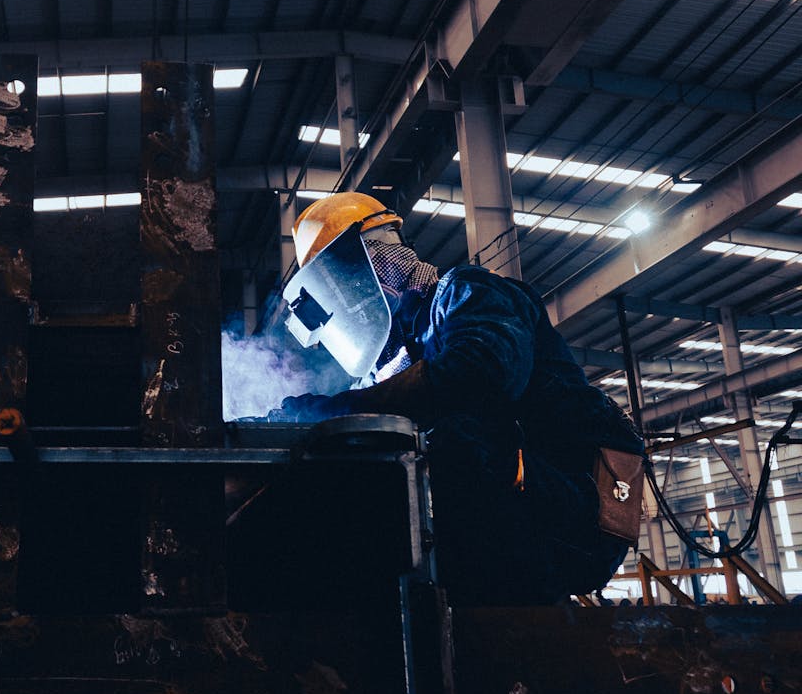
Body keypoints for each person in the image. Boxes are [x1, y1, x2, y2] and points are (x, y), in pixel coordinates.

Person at [270, 192, 644, 607]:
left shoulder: (468, 292)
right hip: (501, 534)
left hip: (570, 503)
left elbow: (478, 372)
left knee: (456, 439)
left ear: (372, 262)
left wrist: (330, 412)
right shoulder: (396, 357)